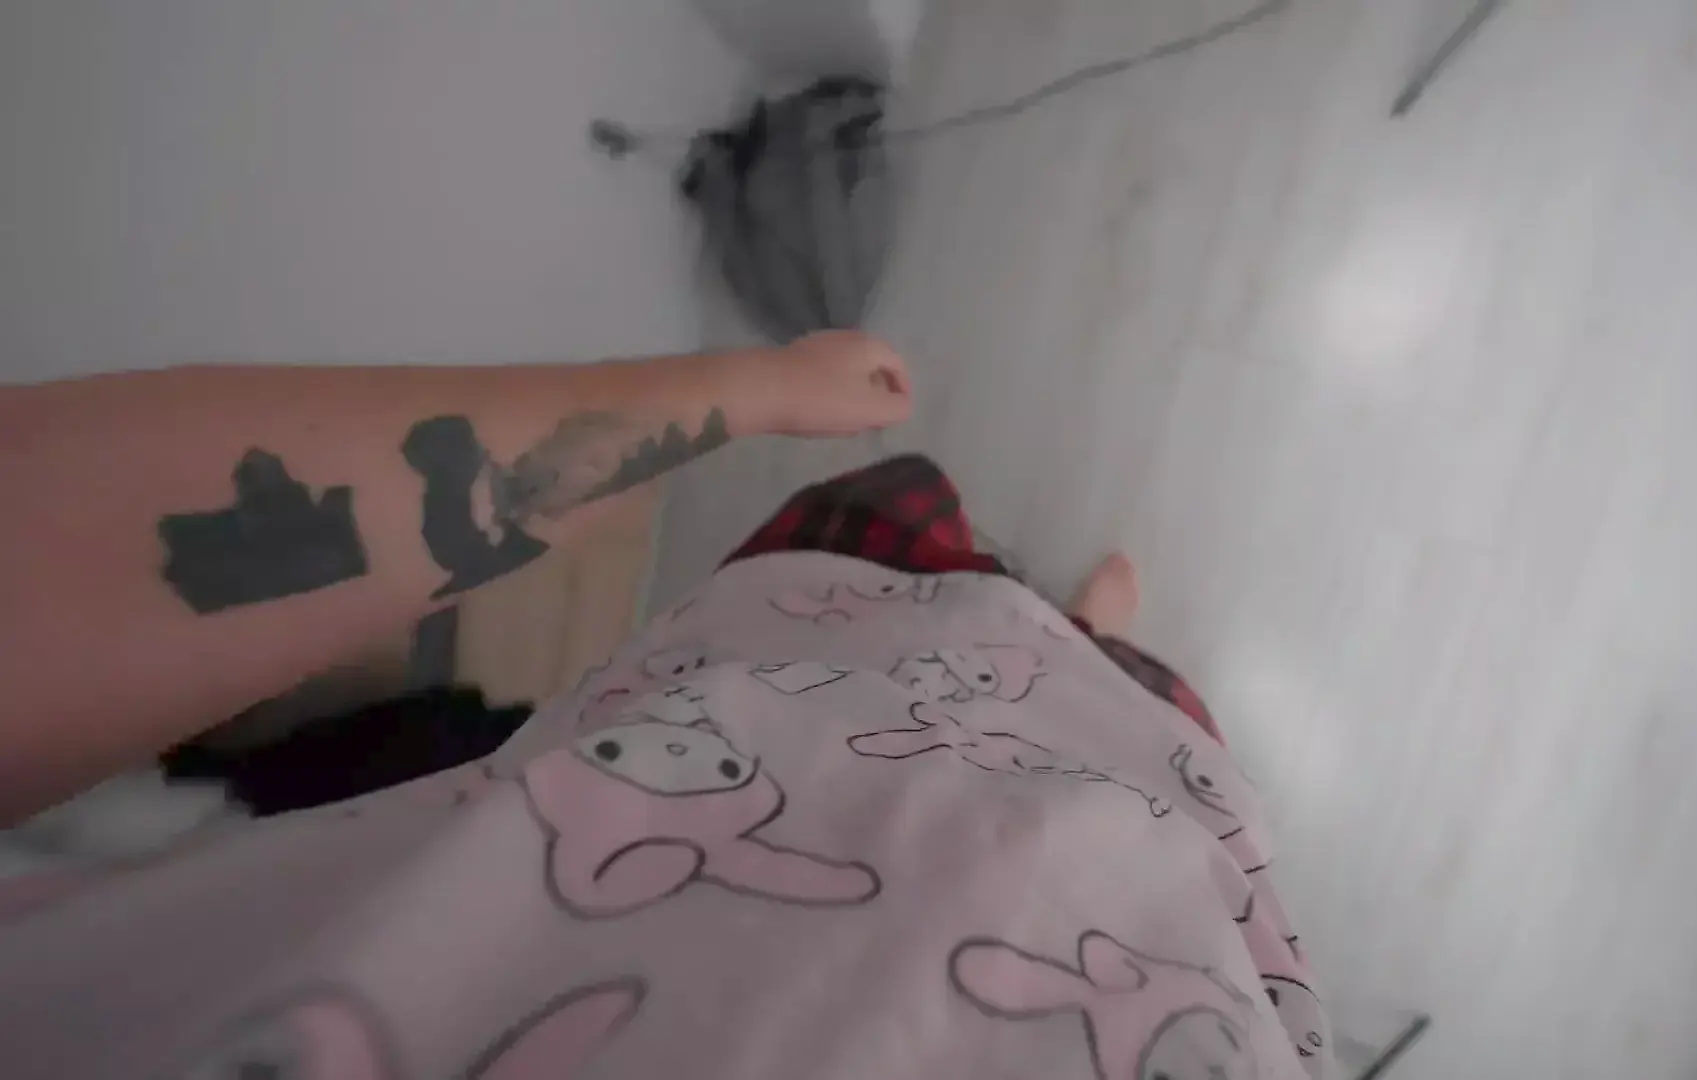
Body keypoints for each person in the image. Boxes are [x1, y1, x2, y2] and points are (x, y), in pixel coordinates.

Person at [0, 332, 1329, 1079]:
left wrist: (738, 393)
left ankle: (1072, 635)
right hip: (1142, 842)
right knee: (1096, 710)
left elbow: (57, 566)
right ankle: (1092, 638)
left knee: (958, 621)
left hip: (769, 695)